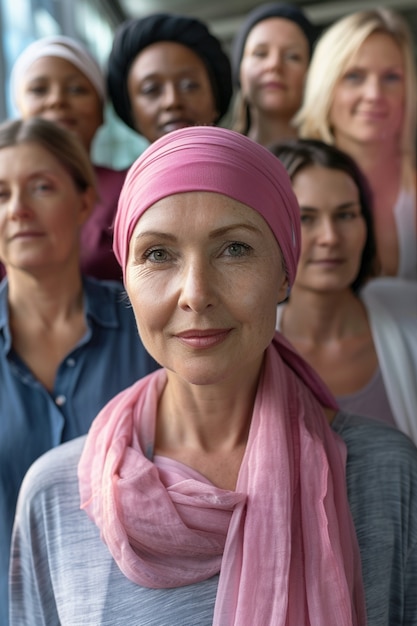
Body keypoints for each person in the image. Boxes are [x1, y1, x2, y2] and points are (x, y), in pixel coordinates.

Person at [10, 127, 417, 626]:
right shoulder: (53, 494)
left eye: (235, 249)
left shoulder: (386, 475)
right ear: (126, 281)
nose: (195, 293)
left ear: (285, 270)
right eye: (158, 254)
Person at [0, 117, 158, 626]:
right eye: (0, 193)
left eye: (41, 187)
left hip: (136, 607)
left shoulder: (148, 329)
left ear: (86, 202)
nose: (18, 209)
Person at [271, 138, 417, 444]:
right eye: (305, 218)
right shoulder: (246, 349)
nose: (330, 237)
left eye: (346, 215)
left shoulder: (410, 316)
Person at [295, 8, 417, 280]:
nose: (374, 94)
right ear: (325, 87)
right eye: (354, 76)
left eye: (391, 77)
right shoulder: (289, 183)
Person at [10, 34, 127, 281]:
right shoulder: (7, 196)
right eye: (39, 89)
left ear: (101, 110)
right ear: (18, 106)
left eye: (77, 89)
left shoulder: (130, 189)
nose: (57, 100)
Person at [106, 13, 232, 144]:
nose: (172, 101)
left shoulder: (251, 164)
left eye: (189, 85)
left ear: (216, 98)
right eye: (151, 89)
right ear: (131, 112)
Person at [231, 2, 317, 145]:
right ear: (240, 70)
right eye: (260, 54)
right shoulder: (219, 159)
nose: (274, 65)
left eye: (292, 56)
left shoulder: (334, 163)